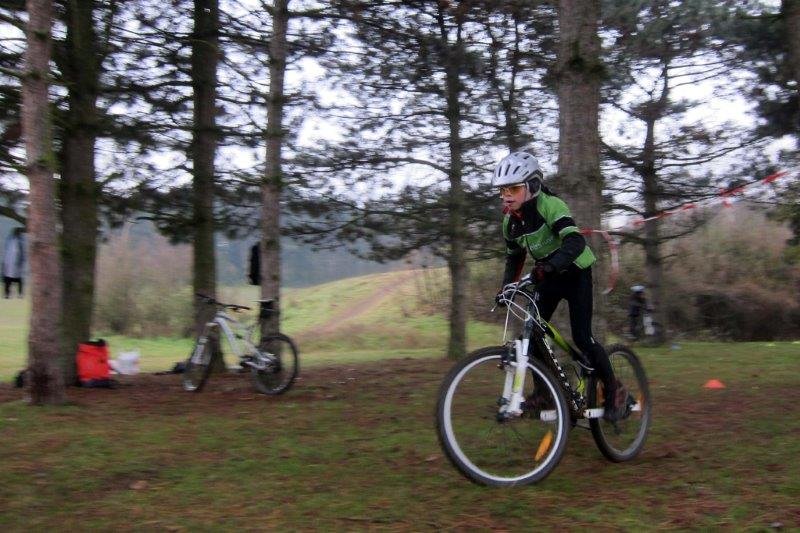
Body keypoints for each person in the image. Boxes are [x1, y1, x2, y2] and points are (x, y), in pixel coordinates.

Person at [492, 152, 626, 421]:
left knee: (582, 338)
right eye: (503, 190)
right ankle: (543, 394)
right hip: (548, 277)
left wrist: (550, 266)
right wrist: (507, 288)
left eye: (514, 188)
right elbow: (514, 257)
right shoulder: (510, 222)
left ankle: (613, 390)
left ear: (532, 186)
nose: (507, 195)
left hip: (576, 273)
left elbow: (575, 243)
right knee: (533, 334)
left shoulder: (551, 205)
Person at [2, 227, 25, 299]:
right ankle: (8, 294)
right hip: (10, 263)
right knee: (10, 279)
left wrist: (21, 261)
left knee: (16, 279)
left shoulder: (18, 240)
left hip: (14, 263)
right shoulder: (11, 239)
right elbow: (7, 251)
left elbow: (21, 253)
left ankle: (18, 294)